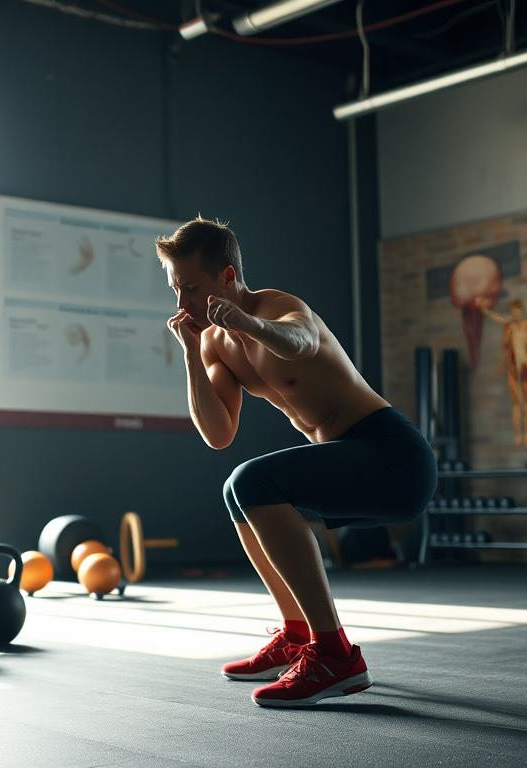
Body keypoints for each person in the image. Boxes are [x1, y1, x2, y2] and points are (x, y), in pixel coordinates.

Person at [156, 217, 437, 708]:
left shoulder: (280, 307)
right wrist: (188, 353)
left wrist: (245, 322)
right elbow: (218, 435)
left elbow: (300, 343)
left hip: (393, 456)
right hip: (344, 459)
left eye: (192, 289)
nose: (183, 305)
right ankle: (297, 633)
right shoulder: (211, 342)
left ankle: (336, 654)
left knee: (254, 480)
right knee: (236, 489)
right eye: (176, 291)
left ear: (226, 277)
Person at [475, 289, 527, 447]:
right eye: (514, 311)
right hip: (513, 367)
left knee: (526, 403)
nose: (517, 314)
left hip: (526, 366)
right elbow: (498, 321)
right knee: (516, 403)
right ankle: (518, 434)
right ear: (512, 312)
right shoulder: (509, 327)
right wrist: (483, 308)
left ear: (521, 311)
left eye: (519, 311)